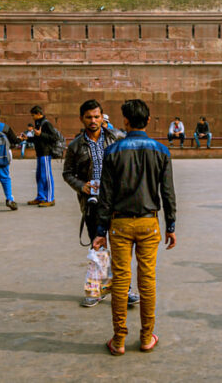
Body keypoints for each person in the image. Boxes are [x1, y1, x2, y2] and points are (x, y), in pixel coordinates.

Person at [92, 99, 176, 356]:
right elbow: (168, 192)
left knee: (121, 280)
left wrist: (100, 230)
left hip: (119, 224)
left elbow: (106, 194)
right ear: (148, 121)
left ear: (125, 122)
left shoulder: (113, 151)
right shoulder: (161, 150)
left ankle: (118, 340)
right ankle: (146, 336)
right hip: (149, 222)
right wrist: (171, 224)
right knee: (147, 280)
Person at [61, 99, 139, 308]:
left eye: (96, 116)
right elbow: (67, 173)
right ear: (82, 119)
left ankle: (125, 288)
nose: (93, 120)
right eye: (89, 117)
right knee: (98, 248)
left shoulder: (116, 138)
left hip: (117, 201)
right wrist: (81, 186)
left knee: (120, 247)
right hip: (92, 203)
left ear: (102, 117)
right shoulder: (76, 145)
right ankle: (97, 289)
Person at [26, 105, 58, 207]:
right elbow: (37, 138)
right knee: (39, 176)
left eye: (33, 115)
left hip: (46, 153)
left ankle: (50, 198)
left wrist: (41, 135)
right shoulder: (38, 123)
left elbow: (54, 137)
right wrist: (27, 138)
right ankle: (41, 197)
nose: (32, 117)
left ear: (39, 114)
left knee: (46, 176)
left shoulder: (46, 124)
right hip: (40, 153)